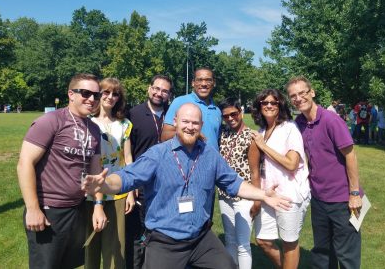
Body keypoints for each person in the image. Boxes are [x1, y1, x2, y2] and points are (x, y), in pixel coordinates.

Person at [82, 103, 292, 269]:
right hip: (165, 241)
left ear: (201, 125)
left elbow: (234, 183)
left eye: (195, 123)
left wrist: (263, 195)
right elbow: (127, 177)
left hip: (201, 239)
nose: (190, 127)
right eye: (186, 121)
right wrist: (105, 184)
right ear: (175, 122)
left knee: (228, 265)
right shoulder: (158, 154)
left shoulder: (210, 154)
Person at [17, 73, 104, 269]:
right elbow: (25, 163)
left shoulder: (94, 129)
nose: (91, 99)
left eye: (96, 95)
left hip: (78, 209)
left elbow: (96, 171)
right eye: (85, 93)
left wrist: (98, 205)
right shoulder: (51, 121)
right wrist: (33, 209)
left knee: (69, 264)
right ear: (71, 94)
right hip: (50, 210)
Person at [286, 76, 362, 269]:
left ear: (312, 92)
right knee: (321, 252)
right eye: (293, 96)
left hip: (343, 199)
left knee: (347, 254)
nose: (298, 98)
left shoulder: (331, 120)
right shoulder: (299, 123)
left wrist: (354, 194)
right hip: (318, 199)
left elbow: (350, 156)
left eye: (302, 93)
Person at [249, 89, 310, 269]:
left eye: (273, 102)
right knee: (263, 240)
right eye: (264, 102)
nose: (269, 105)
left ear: (280, 106)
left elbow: (292, 164)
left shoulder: (289, 128)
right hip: (269, 195)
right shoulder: (262, 131)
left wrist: (262, 146)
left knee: (289, 243)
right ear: (259, 107)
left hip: (289, 194)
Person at [86, 77, 135, 269]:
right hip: (89, 193)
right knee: (90, 247)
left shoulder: (124, 124)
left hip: (117, 191)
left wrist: (130, 191)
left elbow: (128, 158)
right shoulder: (86, 122)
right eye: (106, 92)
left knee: (115, 248)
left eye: (115, 93)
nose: (110, 97)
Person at [125, 74, 173, 269]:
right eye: (156, 88)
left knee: (163, 234)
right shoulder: (133, 114)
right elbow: (127, 153)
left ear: (169, 95)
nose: (159, 93)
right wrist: (132, 184)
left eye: (164, 91)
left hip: (168, 185)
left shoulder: (173, 115)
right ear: (149, 88)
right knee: (137, 236)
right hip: (141, 185)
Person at [217, 97, 258, 269]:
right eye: (226, 116)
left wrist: (257, 199)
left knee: (243, 243)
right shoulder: (223, 133)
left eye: (233, 114)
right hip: (224, 195)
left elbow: (255, 171)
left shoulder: (251, 137)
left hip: (243, 196)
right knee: (230, 240)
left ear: (240, 112)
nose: (230, 118)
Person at [161, 67, 221, 151]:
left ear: (214, 83)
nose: (204, 84)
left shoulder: (217, 110)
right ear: (193, 83)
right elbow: (165, 136)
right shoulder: (179, 102)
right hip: (187, 162)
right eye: (199, 80)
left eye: (208, 80)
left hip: (212, 162)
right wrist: (193, 134)